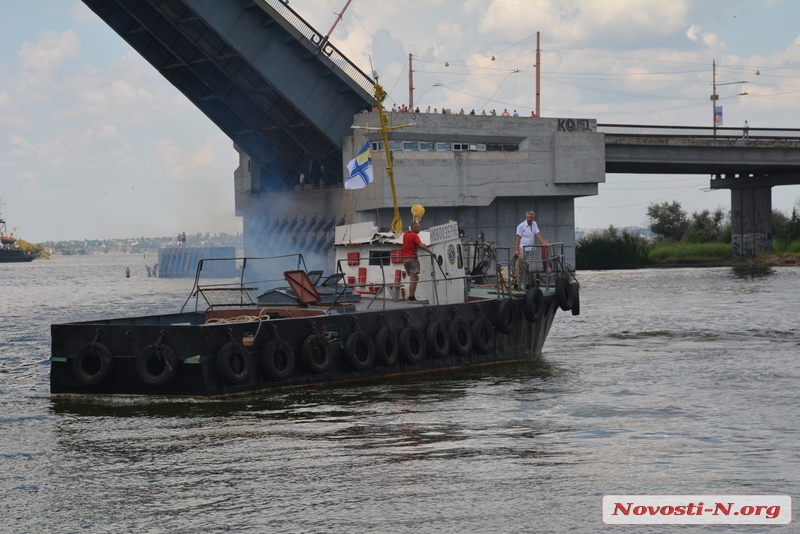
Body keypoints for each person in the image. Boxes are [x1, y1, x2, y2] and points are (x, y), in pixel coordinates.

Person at [402, 221, 436, 302]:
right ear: (414, 228)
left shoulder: (405, 234)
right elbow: (421, 245)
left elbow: (411, 243)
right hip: (412, 259)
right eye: (418, 227)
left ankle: (412, 296)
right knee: (413, 279)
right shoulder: (415, 235)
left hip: (405, 259)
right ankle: (411, 298)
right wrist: (431, 252)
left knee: (415, 278)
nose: (420, 229)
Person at [514, 211, 549, 288]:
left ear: (533, 218)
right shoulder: (521, 226)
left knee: (528, 267)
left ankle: (527, 283)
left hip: (530, 248)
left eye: (530, 217)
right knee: (519, 266)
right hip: (522, 248)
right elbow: (518, 238)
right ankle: (516, 283)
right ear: (526, 217)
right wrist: (516, 250)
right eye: (527, 217)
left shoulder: (534, 224)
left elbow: (537, 233)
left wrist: (542, 242)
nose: (529, 219)